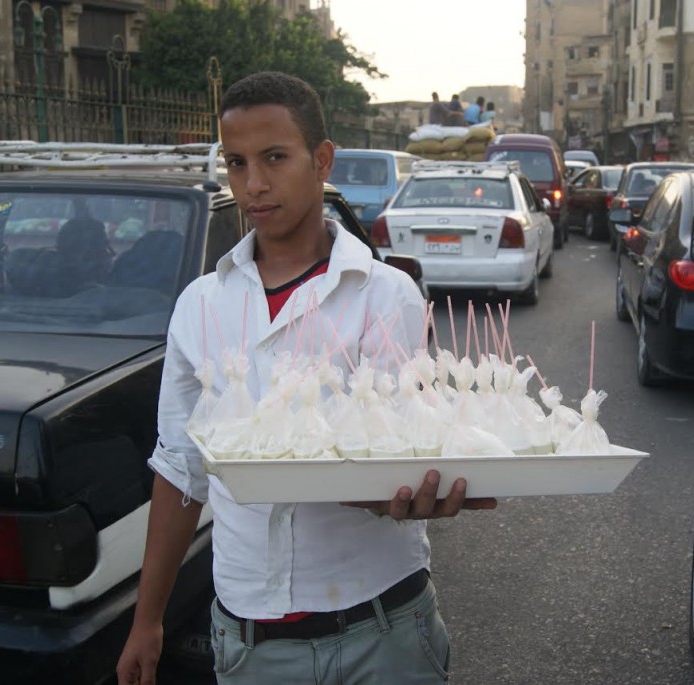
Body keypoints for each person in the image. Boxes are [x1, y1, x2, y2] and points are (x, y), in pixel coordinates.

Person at [116, 71, 496, 685]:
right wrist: (148, 618)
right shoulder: (201, 306)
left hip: (383, 630)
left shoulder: (384, 296)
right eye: (236, 163)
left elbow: (401, 446)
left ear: (321, 160)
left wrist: (406, 492)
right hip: (252, 642)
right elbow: (180, 467)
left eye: (274, 158)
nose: (254, 185)